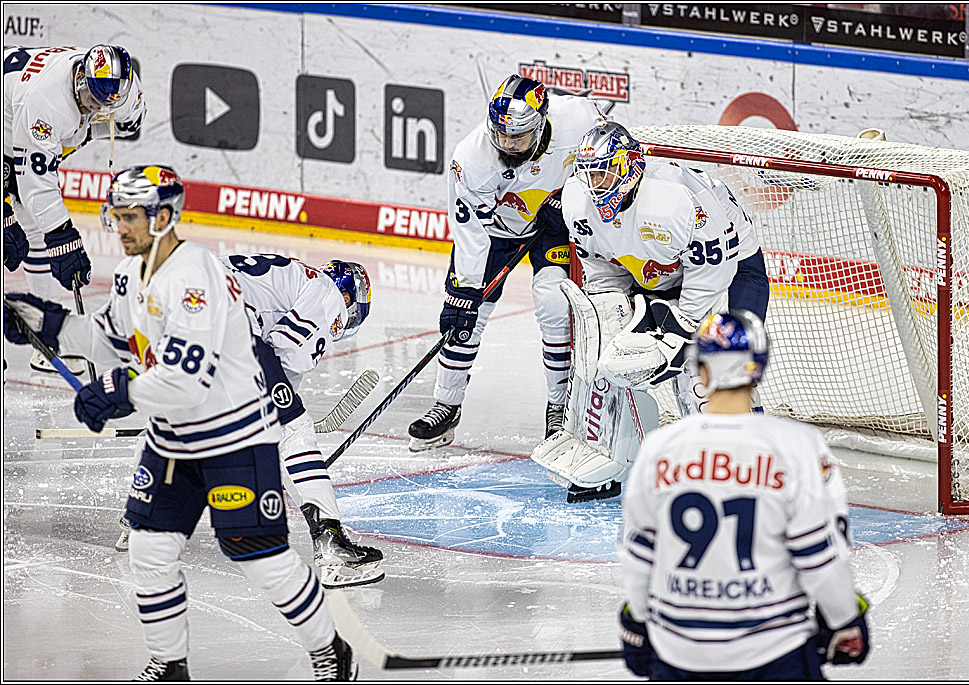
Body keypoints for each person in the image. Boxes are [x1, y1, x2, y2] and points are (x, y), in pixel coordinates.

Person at [3, 166, 355, 681]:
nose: (120, 227)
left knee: (257, 553)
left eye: (131, 216)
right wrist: (49, 324)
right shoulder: (133, 273)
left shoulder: (199, 279)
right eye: (116, 215)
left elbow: (188, 380)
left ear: (164, 217)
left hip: (234, 429)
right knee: (149, 549)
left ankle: (330, 650)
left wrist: (118, 391)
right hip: (173, 435)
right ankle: (168, 664)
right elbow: (111, 337)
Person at [617, 309, 870, 680]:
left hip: (678, 652)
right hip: (775, 652)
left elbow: (639, 552)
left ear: (702, 371)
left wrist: (637, 621)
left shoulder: (659, 447)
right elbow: (820, 555)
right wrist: (845, 621)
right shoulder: (798, 445)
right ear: (757, 369)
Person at [532, 121, 765, 502]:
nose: (594, 185)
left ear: (628, 169)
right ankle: (610, 459)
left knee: (710, 363)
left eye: (603, 173)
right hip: (656, 268)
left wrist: (681, 330)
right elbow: (602, 264)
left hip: (732, 266)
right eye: (588, 174)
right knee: (609, 358)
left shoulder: (675, 201)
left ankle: (740, 463)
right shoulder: (578, 199)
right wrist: (612, 313)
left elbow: (714, 271)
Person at [407, 74, 610, 451]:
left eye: (517, 137)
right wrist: (466, 290)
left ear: (541, 124)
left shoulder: (579, 118)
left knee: (555, 303)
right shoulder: (471, 157)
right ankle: (447, 405)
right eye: (500, 135)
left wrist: (573, 198)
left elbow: (609, 160)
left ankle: (559, 407)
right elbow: (469, 229)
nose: (507, 144)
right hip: (495, 229)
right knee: (465, 317)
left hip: (555, 228)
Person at [217, 252, 384, 587]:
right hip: (225, 323)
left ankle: (140, 517)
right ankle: (331, 542)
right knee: (295, 431)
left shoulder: (293, 279)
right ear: (347, 296)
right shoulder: (327, 292)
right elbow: (287, 352)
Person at [3, 44, 146, 374]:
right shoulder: (46, 101)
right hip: (10, 123)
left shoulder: (120, 85)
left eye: (105, 104)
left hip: (14, 128)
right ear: (80, 76)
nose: (97, 108)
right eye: (92, 100)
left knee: (33, 230)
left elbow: (130, 121)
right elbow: (36, 182)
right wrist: (63, 239)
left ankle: (44, 339)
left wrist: (88, 127)